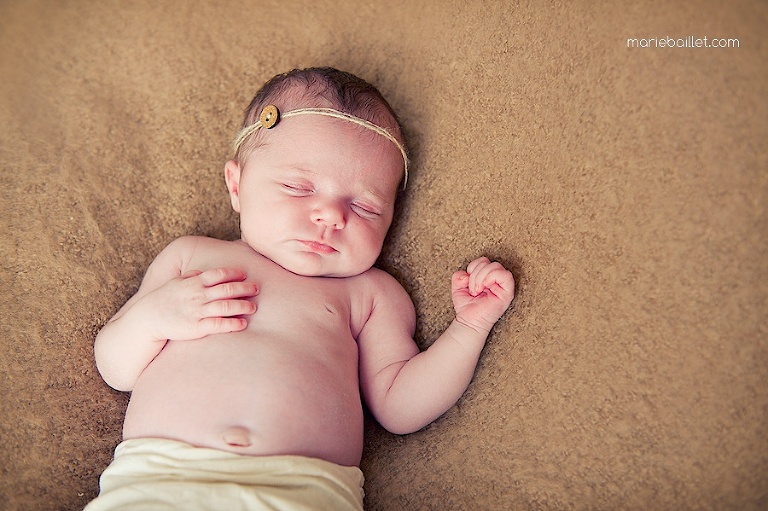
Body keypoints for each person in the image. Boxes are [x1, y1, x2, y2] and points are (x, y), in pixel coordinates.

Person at [86, 67, 515, 511]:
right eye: (297, 187)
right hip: (159, 482)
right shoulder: (191, 257)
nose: (330, 215)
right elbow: (116, 366)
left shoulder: (369, 295)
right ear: (237, 185)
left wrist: (468, 327)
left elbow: (401, 408)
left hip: (300, 495)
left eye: (364, 206)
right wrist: (155, 316)